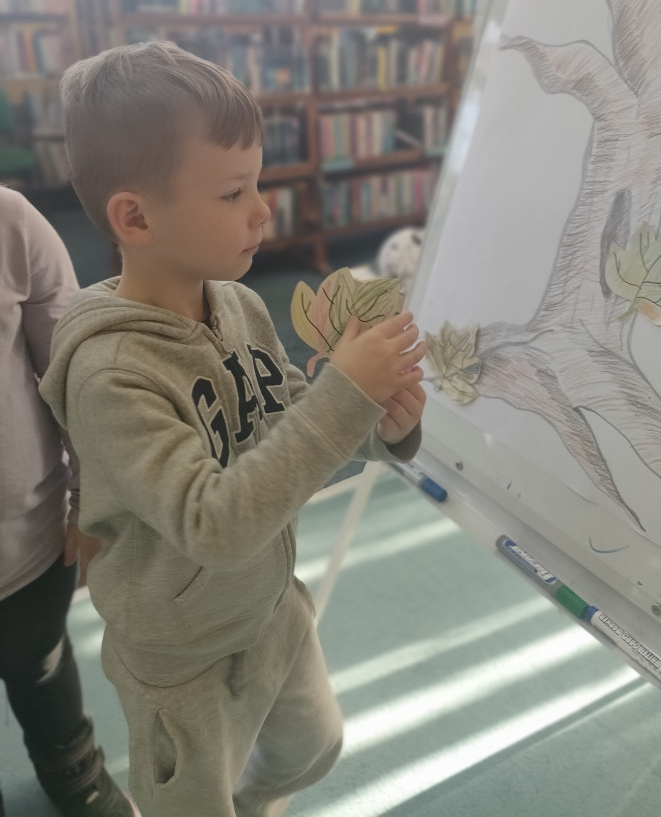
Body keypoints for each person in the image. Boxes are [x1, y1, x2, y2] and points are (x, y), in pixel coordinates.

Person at [40, 41, 426, 817]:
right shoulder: (110, 373)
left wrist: (377, 425)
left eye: (257, 182)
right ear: (136, 217)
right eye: (232, 192)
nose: (262, 209)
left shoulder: (240, 304)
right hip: (179, 657)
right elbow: (213, 524)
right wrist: (345, 394)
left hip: (270, 608)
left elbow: (290, 428)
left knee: (314, 747)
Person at [0, 186, 137, 817]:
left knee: (42, 663)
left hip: (27, 544)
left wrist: (89, 503)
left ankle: (72, 769)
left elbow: (75, 375)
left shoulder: (10, 222)